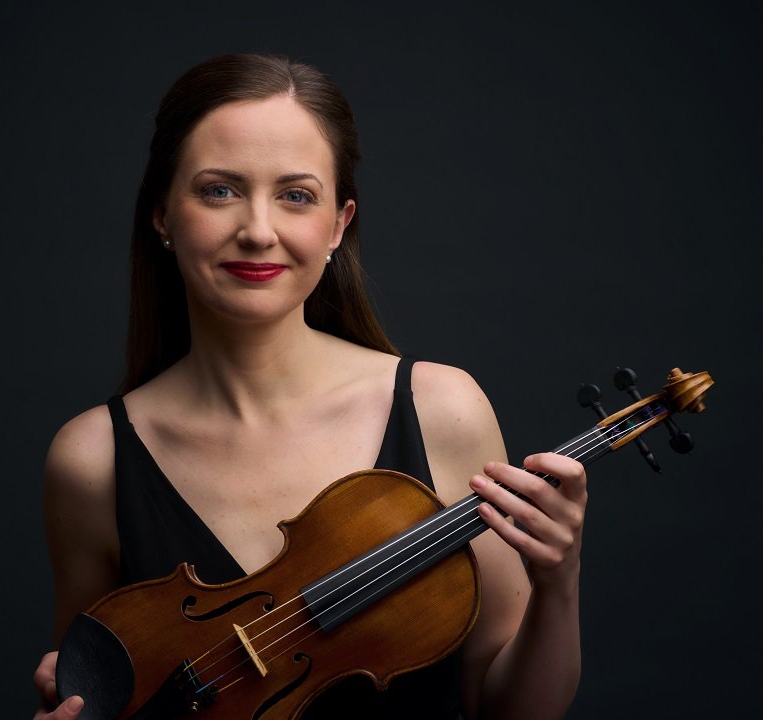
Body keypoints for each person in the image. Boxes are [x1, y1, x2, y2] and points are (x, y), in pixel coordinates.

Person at [32, 52, 586, 720]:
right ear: (162, 216)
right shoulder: (92, 459)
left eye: (296, 196)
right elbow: (94, 691)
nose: (258, 230)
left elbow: (513, 712)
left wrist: (558, 584)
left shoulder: (442, 410)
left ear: (337, 226)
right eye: (218, 190)